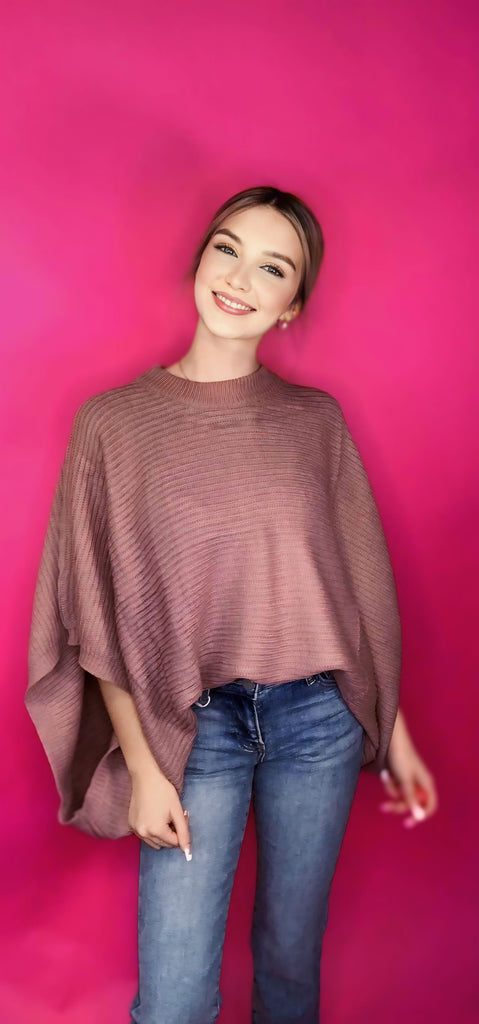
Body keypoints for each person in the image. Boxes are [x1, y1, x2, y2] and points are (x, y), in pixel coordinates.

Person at [26, 185, 438, 1024]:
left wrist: (394, 740)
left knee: (289, 963)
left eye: (272, 268)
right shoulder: (113, 425)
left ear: (293, 306)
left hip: (316, 720)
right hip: (191, 726)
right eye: (227, 249)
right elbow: (98, 616)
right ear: (200, 258)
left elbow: (352, 592)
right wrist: (144, 768)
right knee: (174, 999)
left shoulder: (314, 423)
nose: (240, 278)